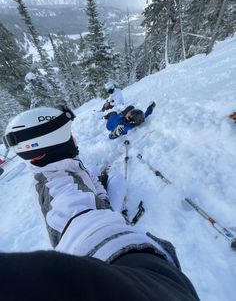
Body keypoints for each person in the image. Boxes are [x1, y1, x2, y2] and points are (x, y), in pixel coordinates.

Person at [2, 105, 200, 301]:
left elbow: (86, 176)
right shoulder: (62, 190)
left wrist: (101, 195)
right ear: (53, 143)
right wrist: (147, 266)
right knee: (117, 180)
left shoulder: (56, 167)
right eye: (69, 135)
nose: (75, 139)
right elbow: (89, 230)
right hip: (103, 242)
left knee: (99, 173)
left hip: (96, 205)